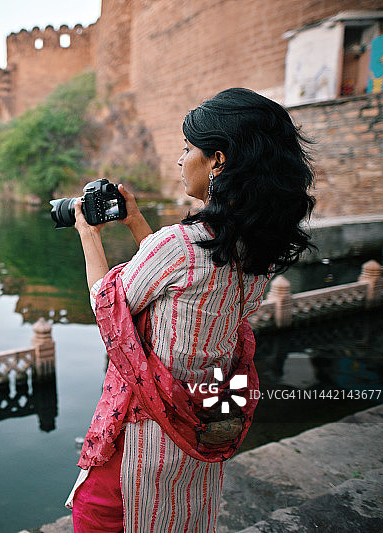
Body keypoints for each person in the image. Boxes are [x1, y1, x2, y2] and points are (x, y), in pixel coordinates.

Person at [65, 87, 315, 531]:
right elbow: (184, 289)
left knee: (98, 513)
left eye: (187, 148)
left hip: (145, 438)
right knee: (177, 517)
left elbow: (106, 303)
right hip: (202, 422)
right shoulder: (257, 248)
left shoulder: (179, 245)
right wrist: (136, 222)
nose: (180, 160)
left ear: (217, 160)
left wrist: (88, 232)